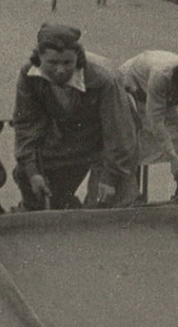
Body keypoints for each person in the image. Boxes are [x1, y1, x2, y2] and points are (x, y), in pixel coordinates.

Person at [12, 24, 139, 210]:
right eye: (53, 63)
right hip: (69, 142)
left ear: (78, 58)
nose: (60, 70)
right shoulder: (28, 75)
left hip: (108, 147)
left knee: (112, 205)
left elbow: (119, 133)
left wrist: (109, 178)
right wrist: (33, 172)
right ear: (39, 58)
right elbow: (26, 125)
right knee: (32, 183)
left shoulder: (103, 78)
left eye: (67, 63)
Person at [119, 50, 178, 187]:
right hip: (131, 84)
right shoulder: (161, 77)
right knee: (135, 137)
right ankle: (130, 193)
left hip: (155, 85)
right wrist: (173, 157)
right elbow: (156, 121)